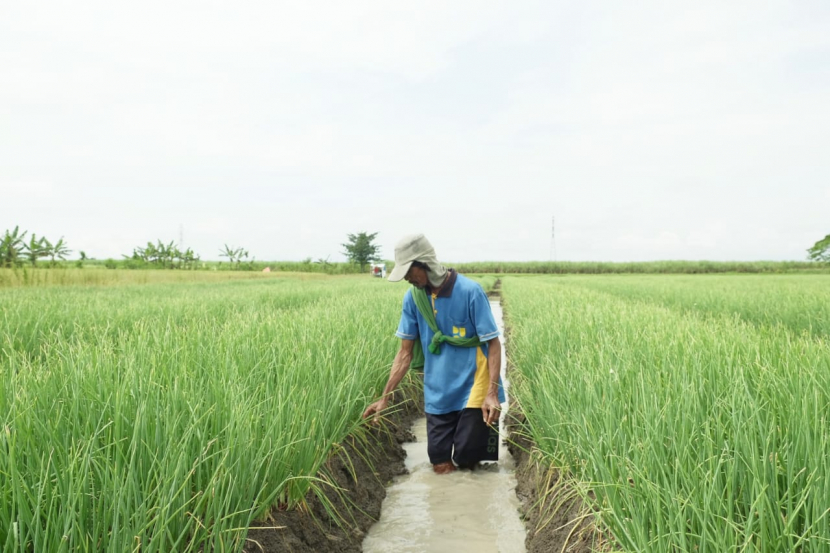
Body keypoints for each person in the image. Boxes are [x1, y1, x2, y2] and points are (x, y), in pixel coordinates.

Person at [362, 234, 506, 475]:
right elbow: (404, 354)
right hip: (437, 390)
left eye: (409, 271)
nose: (407, 278)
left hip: (475, 387)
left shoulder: (470, 291)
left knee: (467, 460)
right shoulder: (413, 298)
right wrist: (384, 397)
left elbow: (493, 344)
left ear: (425, 263)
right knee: (439, 464)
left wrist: (492, 393)